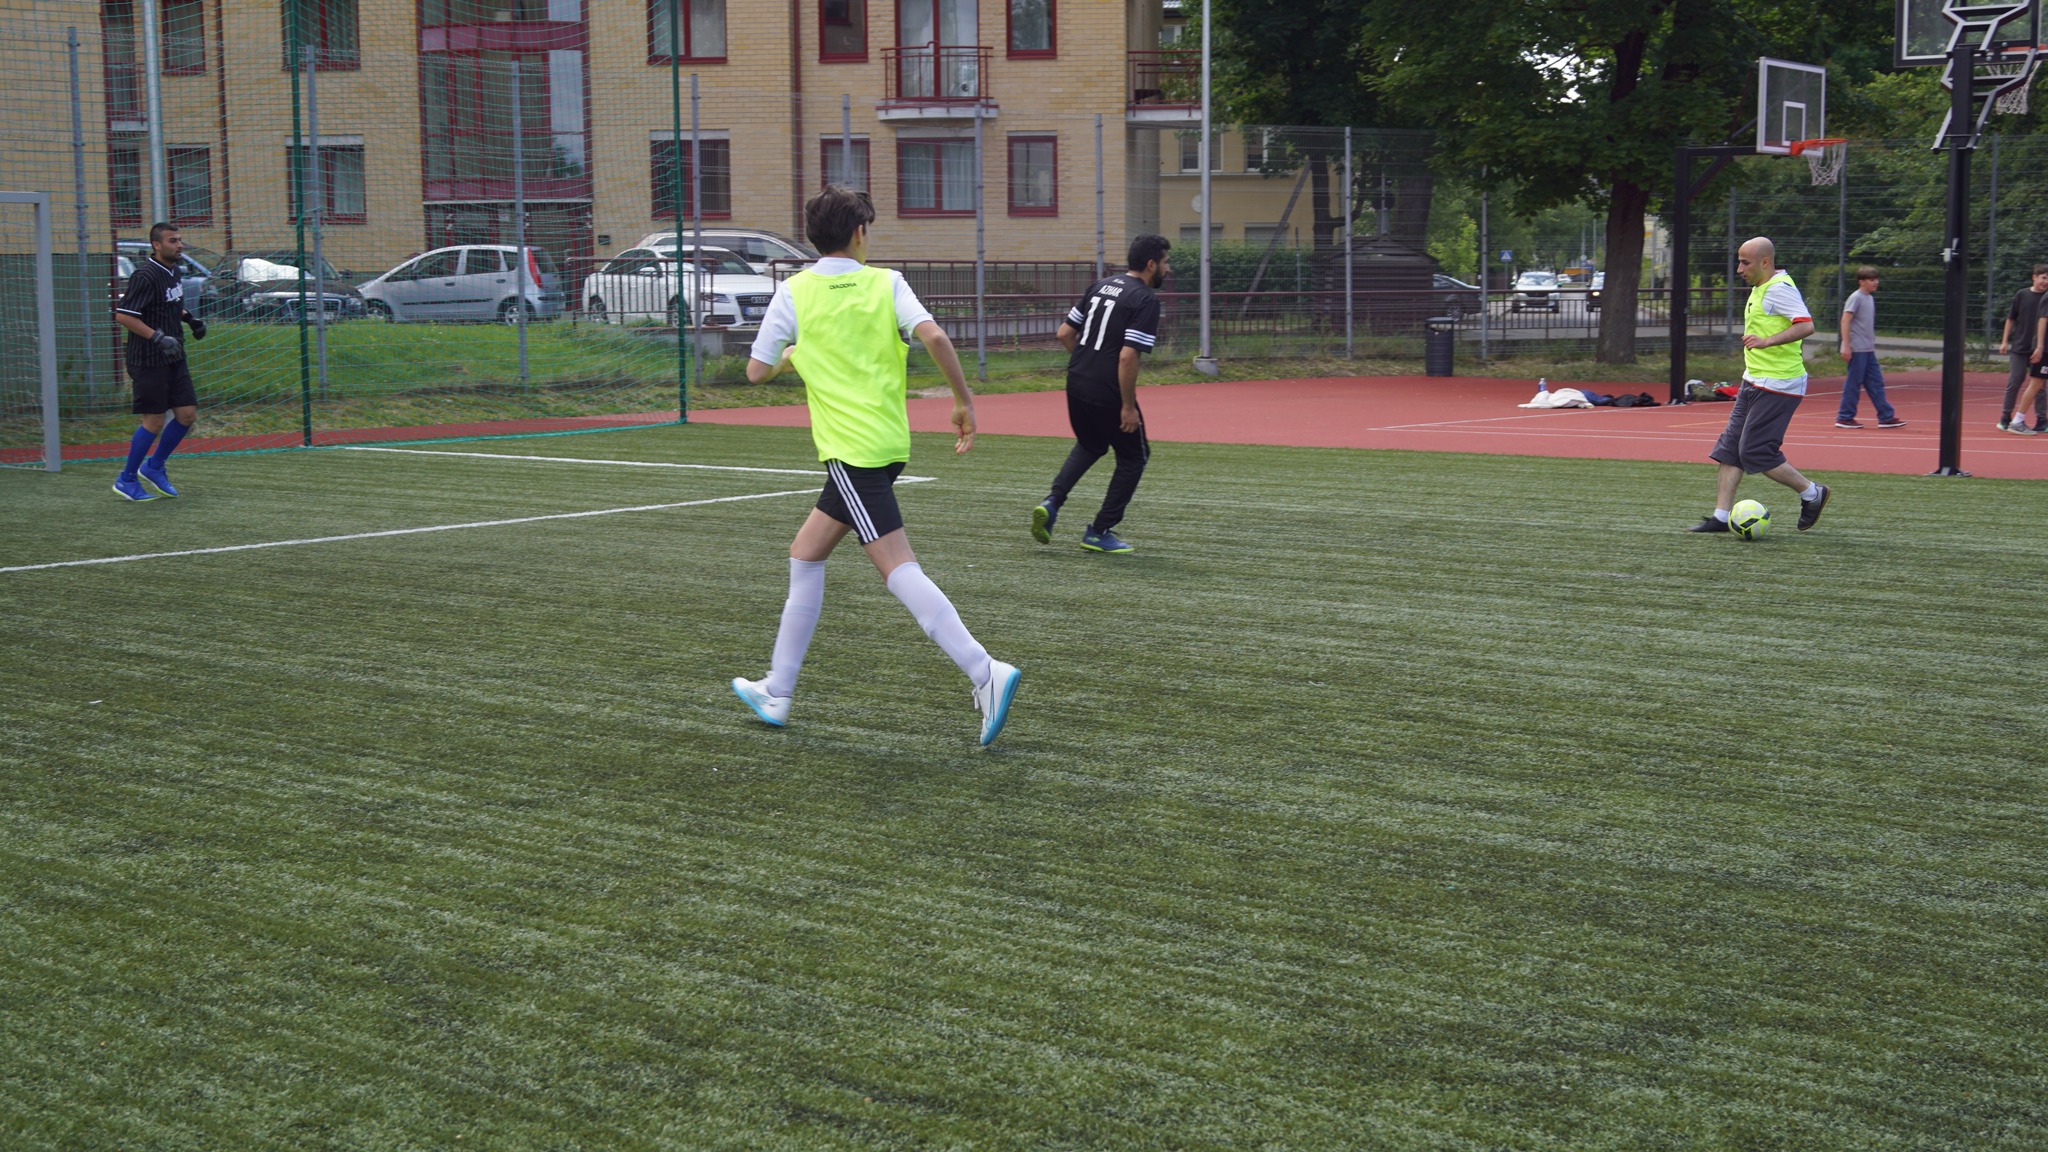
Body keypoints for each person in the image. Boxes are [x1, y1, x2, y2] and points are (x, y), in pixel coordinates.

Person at [730, 185, 1021, 746]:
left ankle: (984, 669)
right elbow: (934, 335)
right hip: (886, 445)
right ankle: (777, 690)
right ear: (860, 232)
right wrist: (963, 401)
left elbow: (755, 372)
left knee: (898, 568)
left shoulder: (794, 292)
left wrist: (792, 356)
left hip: (850, 452)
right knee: (805, 554)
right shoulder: (887, 282)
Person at [1030, 234, 1171, 554]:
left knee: (1091, 444)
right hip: (1108, 389)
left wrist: (1087, 365)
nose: (1168, 268)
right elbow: (1127, 357)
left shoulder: (1101, 285)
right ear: (1151, 264)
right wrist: (1127, 407)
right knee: (1134, 457)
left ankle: (1052, 502)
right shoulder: (1145, 299)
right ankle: (1099, 530)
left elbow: (1064, 333)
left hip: (1077, 380)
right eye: (1165, 262)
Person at [1688, 237, 1832, 534]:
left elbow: (1806, 325)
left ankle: (1811, 493)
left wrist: (1767, 341)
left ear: (1765, 262)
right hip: (1753, 380)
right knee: (1730, 449)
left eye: (1745, 263)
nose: (1739, 269)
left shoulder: (1779, 289)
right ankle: (1720, 517)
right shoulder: (1761, 287)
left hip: (1779, 384)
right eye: (1739, 262)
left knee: (1755, 451)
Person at [110, 222, 206, 500]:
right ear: (156, 245)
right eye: (173, 241)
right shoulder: (145, 275)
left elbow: (170, 304)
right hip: (148, 358)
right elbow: (124, 316)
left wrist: (190, 320)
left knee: (186, 415)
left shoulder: (174, 270)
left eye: (180, 239)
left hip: (174, 355)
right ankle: (126, 479)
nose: (179, 245)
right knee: (153, 421)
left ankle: (153, 467)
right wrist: (157, 337)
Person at [1834, 267, 1903, 429]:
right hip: (1857, 349)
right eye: (1871, 280)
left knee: (1876, 382)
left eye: (1876, 279)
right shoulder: (1855, 298)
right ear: (1861, 282)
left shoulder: (1869, 298)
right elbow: (1845, 320)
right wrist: (1846, 345)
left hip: (1868, 349)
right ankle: (1844, 417)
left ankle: (1886, 416)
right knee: (1854, 383)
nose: (1876, 282)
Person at [1997, 264, 2048, 434]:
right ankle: (2006, 417)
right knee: (2015, 381)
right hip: (2021, 346)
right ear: (2034, 277)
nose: (2045, 282)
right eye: (2043, 278)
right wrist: (2004, 341)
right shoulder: (2022, 295)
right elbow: (2011, 318)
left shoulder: (2046, 297)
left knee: (2040, 385)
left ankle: (2041, 419)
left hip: (2038, 348)